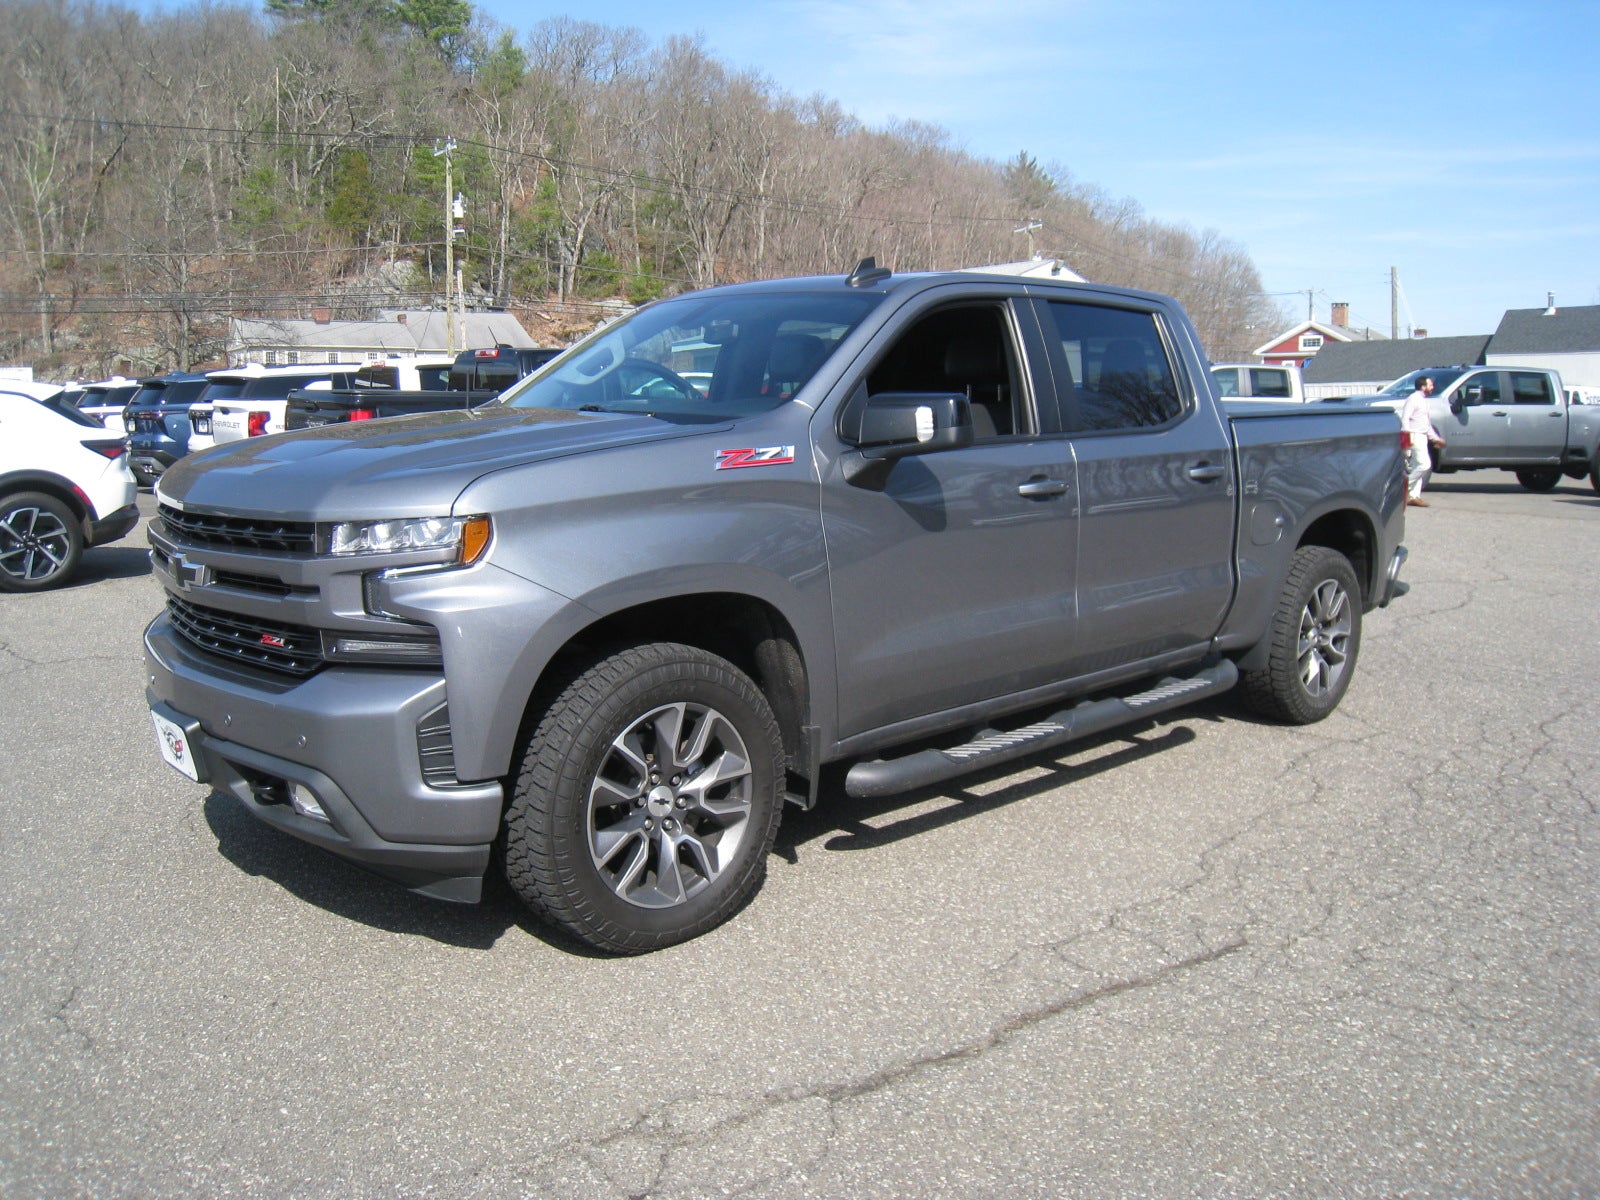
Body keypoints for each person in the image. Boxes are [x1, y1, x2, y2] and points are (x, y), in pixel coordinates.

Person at [1399, 375, 1445, 507]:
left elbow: (1427, 424)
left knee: (1416, 466)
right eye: (1430, 385)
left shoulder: (1424, 401)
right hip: (1414, 435)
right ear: (1423, 386)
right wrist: (1406, 439)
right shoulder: (1413, 399)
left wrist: (1435, 438)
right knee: (1425, 465)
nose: (1432, 387)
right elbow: (1405, 418)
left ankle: (1413, 496)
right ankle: (1404, 486)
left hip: (1422, 436)